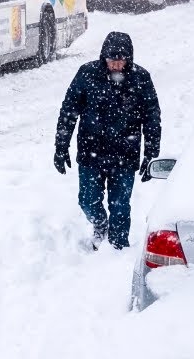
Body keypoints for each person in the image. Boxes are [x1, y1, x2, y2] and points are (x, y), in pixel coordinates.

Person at [54, 32, 161, 250]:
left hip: (125, 154)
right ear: (103, 57)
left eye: (120, 61)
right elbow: (69, 110)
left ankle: (117, 246)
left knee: (120, 206)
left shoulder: (141, 79)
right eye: (111, 60)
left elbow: (152, 117)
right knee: (87, 200)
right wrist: (61, 146)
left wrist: (151, 154)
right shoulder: (87, 74)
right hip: (91, 152)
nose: (115, 65)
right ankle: (100, 224)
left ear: (128, 59)